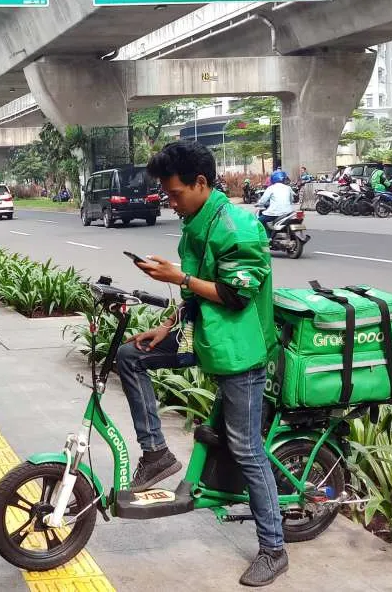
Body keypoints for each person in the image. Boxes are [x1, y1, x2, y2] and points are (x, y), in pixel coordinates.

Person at [116, 141, 286, 587]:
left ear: (201, 183)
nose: (170, 203)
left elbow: (234, 295)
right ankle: (156, 454)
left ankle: (274, 549)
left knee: (246, 449)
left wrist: (180, 277)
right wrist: (165, 325)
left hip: (238, 349)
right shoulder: (196, 222)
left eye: (174, 194)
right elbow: (194, 295)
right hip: (204, 334)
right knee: (131, 355)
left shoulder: (238, 228)